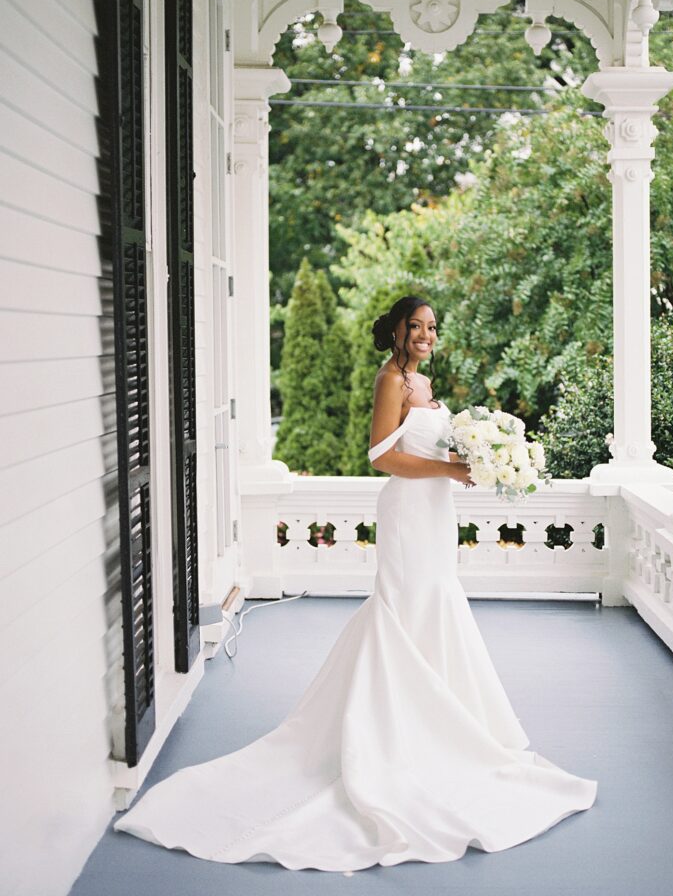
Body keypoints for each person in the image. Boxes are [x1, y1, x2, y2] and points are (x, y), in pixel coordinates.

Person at [112, 294, 598, 870]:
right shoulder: (390, 379)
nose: (425, 334)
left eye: (431, 327)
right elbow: (381, 456)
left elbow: (428, 445)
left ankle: (439, 725)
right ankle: (393, 734)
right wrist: (449, 468)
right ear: (396, 331)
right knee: (406, 607)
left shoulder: (423, 380)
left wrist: (479, 456)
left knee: (434, 605)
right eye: (415, 326)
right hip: (408, 512)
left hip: (436, 512)